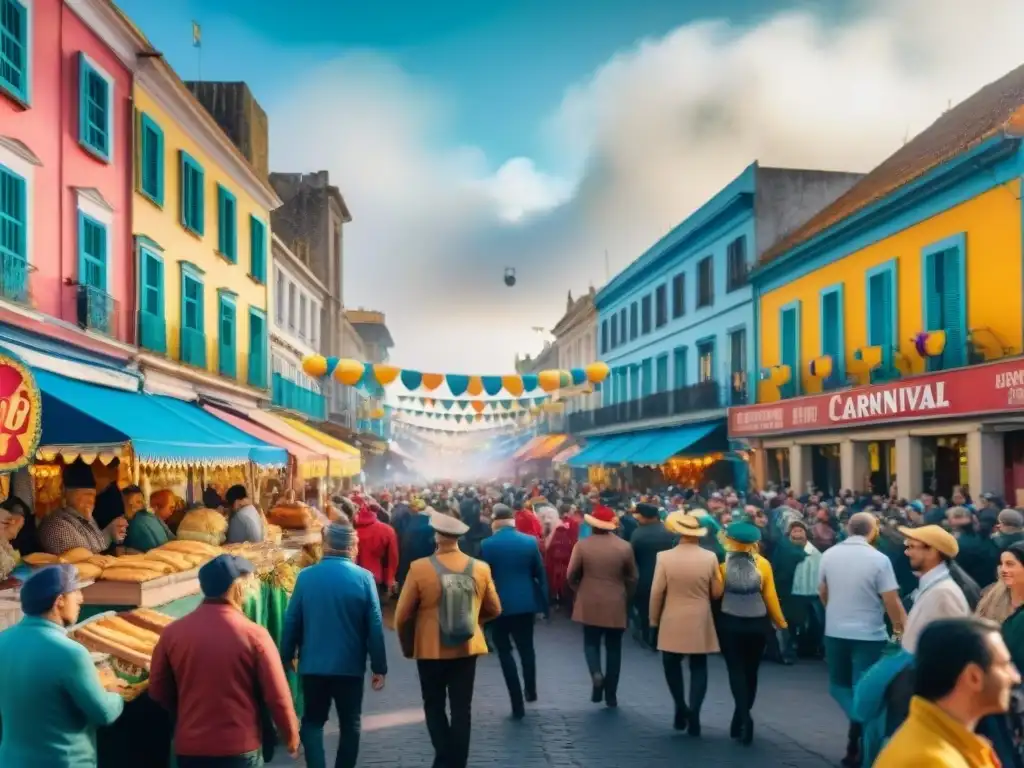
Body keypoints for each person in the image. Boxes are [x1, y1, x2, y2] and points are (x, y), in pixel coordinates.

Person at [148, 554, 300, 766]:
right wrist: (291, 736)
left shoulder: (172, 633)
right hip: (240, 748)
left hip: (191, 747)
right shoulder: (254, 635)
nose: (249, 589)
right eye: (247, 582)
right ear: (236, 587)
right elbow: (277, 696)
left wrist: (185, 711)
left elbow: (157, 689)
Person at [395, 511, 501, 768]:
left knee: (433, 705)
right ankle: (458, 762)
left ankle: (444, 757)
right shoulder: (480, 568)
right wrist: (473, 622)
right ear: (458, 538)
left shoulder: (419, 569)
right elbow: (495, 608)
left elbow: (402, 615)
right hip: (466, 646)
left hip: (430, 648)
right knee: (462, 709)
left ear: (437, 538)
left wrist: (410, 644)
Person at [281, 521, 387, 768]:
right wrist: (379, 667)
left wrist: (287, 655)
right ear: (352, 547)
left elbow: (292, 618)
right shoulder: (364, 578)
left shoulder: (306, 577)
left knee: (313, 722)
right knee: (350, 723)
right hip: (349, 666)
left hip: (313, 665)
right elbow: (374, 625)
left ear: (326, 546)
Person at [0, 564, 124, 766]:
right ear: (59, 601)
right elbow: (104, 713)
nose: (81, 599)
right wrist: (113, 691)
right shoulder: (71, 653)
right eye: (75, 593)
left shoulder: (2, 641)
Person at [818, 511, 907, 766]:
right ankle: (866, 730)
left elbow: (823, 590)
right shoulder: (879, 559)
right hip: (870, 633)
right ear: (873, 530)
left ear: (848, 529)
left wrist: (832, 610)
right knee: (863, 689)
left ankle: (858, 738)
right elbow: (891, 599)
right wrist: (900, 628)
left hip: (835, 631)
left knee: (838, 686)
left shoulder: (829, 554)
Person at [874, 617, 1017, 767]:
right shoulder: (931, 761)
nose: (1015, 677)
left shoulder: (942, 741)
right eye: (1004, 665)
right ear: (973, 677)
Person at [649, 512, 723, 736]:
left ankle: (680, 706)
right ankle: (695, 713)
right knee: (698, 666)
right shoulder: (709, 557)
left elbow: (656, 592)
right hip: (700, 615)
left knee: (671, 665)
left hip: (672, 615)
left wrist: (653, 621)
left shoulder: (664, 557)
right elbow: (717, 591)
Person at [717, 520, 788, 745]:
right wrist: (781, 622)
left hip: (730, 622)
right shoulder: (763, 564)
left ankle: (743, 716)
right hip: (758, 624)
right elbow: (770, 597)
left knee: (735, 670)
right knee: (752, 671)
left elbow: (715, 593)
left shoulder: (721, 566)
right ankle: (742, 715)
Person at [479, 503, 548, 719]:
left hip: (498, 605)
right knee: (527, 648)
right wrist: (544, 604)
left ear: (495, 523)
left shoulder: (486, 544)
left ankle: (516, 700)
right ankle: (531, 689)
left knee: (505, 651)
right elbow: (540, 573)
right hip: (526, 603)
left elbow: (482, 577)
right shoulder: (529, 542)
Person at [567, 504, 638, 708]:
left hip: (589, 597)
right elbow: (633, 577)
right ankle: (611, 694)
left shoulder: (583, 545)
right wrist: (626, 595)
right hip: (616, 599)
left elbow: (571, 574)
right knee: (614, 648)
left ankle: (596, 674)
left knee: (591, 642)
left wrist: (577, 589)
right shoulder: (624, 547)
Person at [900, 525, 973, 653]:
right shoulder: (935, 587)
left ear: (932, 551)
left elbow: (957, 646)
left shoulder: (944, 592)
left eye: (911, 546)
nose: (906, 552)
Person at [38, 460, 127, 555]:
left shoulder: (88, 518)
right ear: (65, 493)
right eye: (84, 495)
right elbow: (79, 555)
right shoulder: (55, 524)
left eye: (92, 495)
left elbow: (98, 545)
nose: (90, 501)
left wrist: (110, 532)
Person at [630, 502, 677, 649]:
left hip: (645, 578)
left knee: (645, 610)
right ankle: (662, 637)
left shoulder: (638, 534)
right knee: (664, 608)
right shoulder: (669, 533)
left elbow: (632, 557)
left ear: (648, 518)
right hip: (667, 577)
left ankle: (647, 637)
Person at [352, 497, 399, 600]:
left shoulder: (349, 531)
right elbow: (393, 557)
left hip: (351, 578)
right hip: (376, 577)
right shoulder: (387, 530)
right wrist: (390, 578)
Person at [123, 487, 175, 553]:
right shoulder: (121, 524)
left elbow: (173, 539)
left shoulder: (153, 518)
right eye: (138, 502)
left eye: (141, 502)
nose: (141, 506)